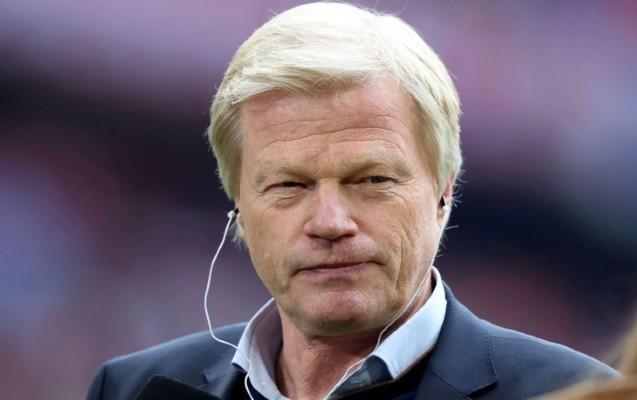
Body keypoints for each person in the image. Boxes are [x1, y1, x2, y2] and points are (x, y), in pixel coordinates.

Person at [87, 3, 617, 400]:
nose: (330, 222)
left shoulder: (575, 394)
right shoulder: (130, 389)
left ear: (444, 189)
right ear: (238, 205)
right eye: (289, 186)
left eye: (371, 180)